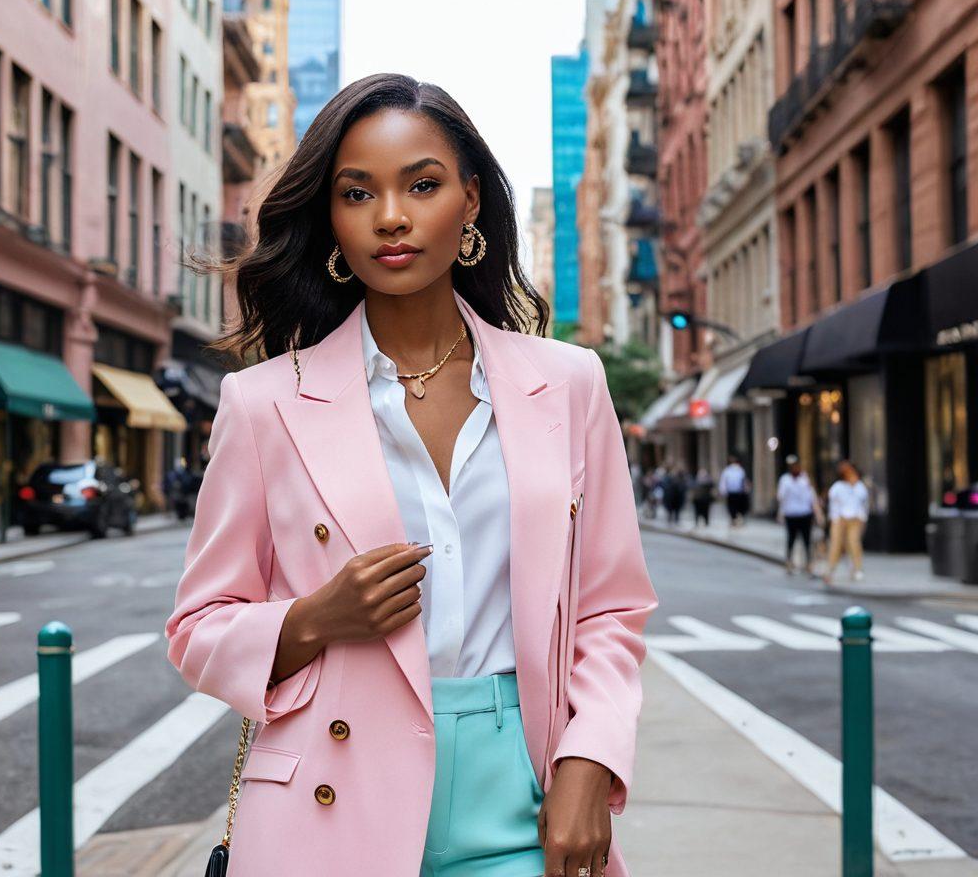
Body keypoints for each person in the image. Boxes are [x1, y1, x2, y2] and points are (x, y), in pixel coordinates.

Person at [163, 74, 659, 877]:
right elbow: (197, 627)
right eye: (357, 193)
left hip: (523, 797)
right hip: (325, 804)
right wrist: (314, 618)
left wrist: (589, 761)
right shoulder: (264, 404)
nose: (390, 216)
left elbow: (611, 608)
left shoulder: (568, 384)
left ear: (470, 200)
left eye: (422, 185)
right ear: (331, 218)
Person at [824, 460, 870, 585]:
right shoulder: (837, 487)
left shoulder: (859, 487)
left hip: (855, 519)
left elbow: (863, 504)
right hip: (840, 519)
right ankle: (830, 570)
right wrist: (835, 519)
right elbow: (833, 505)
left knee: (854, 543)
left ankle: (857, 568)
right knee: (836, 545)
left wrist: (862, 518)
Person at [776, 455, 823, 576]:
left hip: (804, 514)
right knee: (791, 539)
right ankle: (789, 562)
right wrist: (781, 513)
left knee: (807, 540)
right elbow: (781, 497)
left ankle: (808, 564)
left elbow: (812, 497)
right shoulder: (785, 480)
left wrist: (818, 514)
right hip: (791, 514)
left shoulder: (805, 479)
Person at [718, 454, 749, 527]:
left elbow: (723, 482)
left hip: (733, 492)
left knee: (733, 507)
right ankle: (735, 519)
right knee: (736, 507)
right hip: (737, 492)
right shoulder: (738, 470)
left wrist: (723, 491)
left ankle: (734, 519)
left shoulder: (729, 470)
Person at [163, 457, 194, 521]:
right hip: (179, 493)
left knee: (180, 504)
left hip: (181, 493)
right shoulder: (174, 474)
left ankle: (180, 514)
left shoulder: (182, 473)